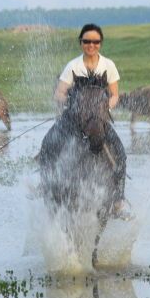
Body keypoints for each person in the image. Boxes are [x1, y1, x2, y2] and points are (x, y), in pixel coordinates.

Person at [52, 23, 130, 218]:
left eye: (95, 41)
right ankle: (45, 183)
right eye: (87, 41)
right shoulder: (73, 66)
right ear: (81, 43)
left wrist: (105, 106)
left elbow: (114, 95)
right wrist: (72, 101)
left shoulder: (108, 65)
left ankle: (118, 200)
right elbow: (59, 93)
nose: (91, 45)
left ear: (100, 43)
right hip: (75, 119)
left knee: (120, 153)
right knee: (50, 144)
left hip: (99, 119)